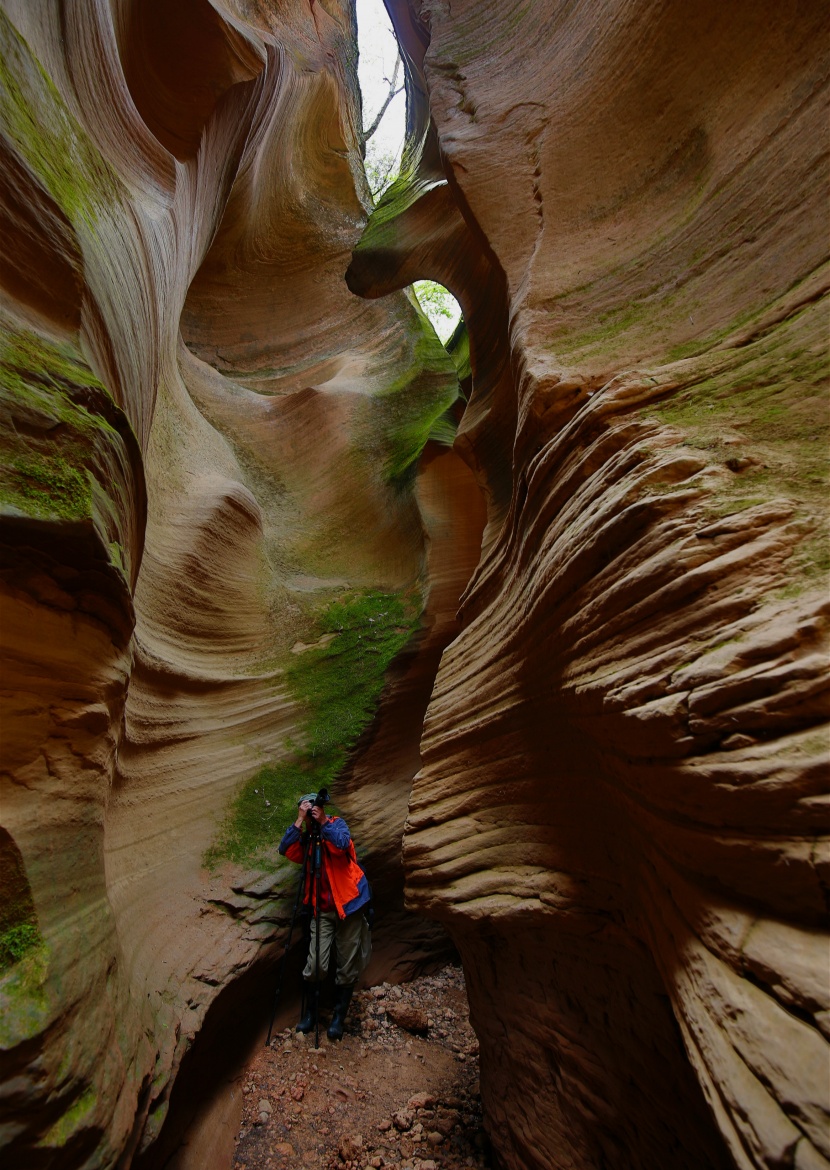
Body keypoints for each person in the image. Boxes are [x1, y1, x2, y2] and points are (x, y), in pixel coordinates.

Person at [278, 792, 371, 1041]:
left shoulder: (336, 824)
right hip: (322, 910)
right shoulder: (306, 839)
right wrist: (299, 821)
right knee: (317, 963)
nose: (312, 812)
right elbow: (285, 849)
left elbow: (342, 844)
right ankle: (310, 1014)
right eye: (308, 809)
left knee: (347, 964)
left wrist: (323, 823)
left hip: (349, 907)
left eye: (314, 808)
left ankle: (339, 1018)